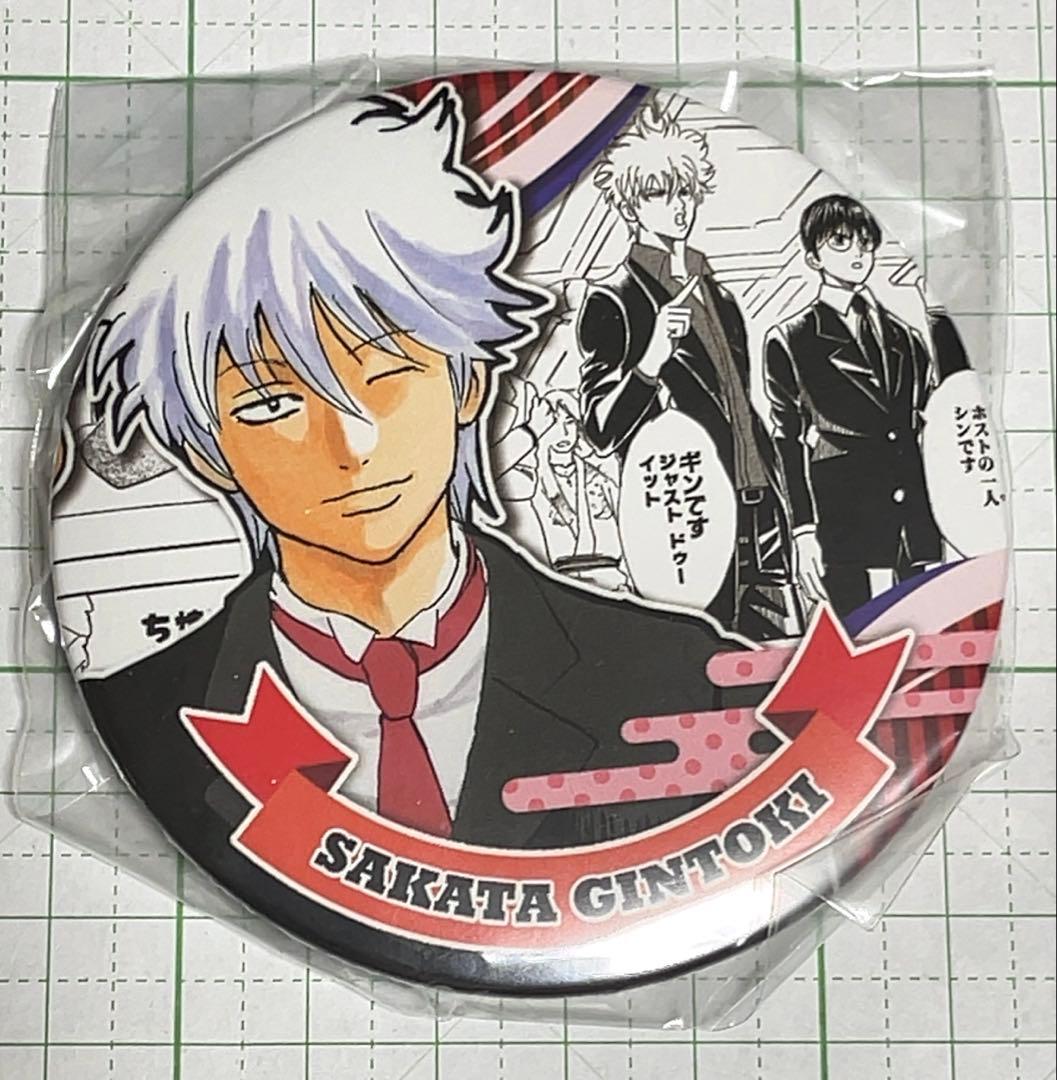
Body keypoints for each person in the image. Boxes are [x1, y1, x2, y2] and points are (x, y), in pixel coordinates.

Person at [80, 86, 752, 853]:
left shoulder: (676, 675)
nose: (351, 439)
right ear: (208, 450)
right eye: (273, 403)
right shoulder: (149, 710)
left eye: (386, 371)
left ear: (467, 382)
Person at [576, 104, 796, 640]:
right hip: (688, 513)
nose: (677, 206)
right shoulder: (615, 299)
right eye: (657, 193)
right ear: (629, 204)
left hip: (759, 506)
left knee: (777, 658)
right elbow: (599, 428)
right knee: (700, 655)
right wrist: (651, 359)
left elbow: (739, 403)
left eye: (684, 191)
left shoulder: (718, 295)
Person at [764, 194, 943, 617]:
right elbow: (786, 442)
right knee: (855, 634)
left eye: (865, 242)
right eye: (841, 242)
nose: (858, 253)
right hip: (843, 521)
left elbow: (928, 428)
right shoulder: (792, 338)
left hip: (914, 522)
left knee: (924, 633)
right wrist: (802, 530)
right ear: (813, 257)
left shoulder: (905, 338)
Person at [531, 389, 628, 591]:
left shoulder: (600, 477)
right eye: (554, 423)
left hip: (612, 579)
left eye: (570, 422)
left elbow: (628, 527)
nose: (563, 432)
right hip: (558, 585)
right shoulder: (532, 484)